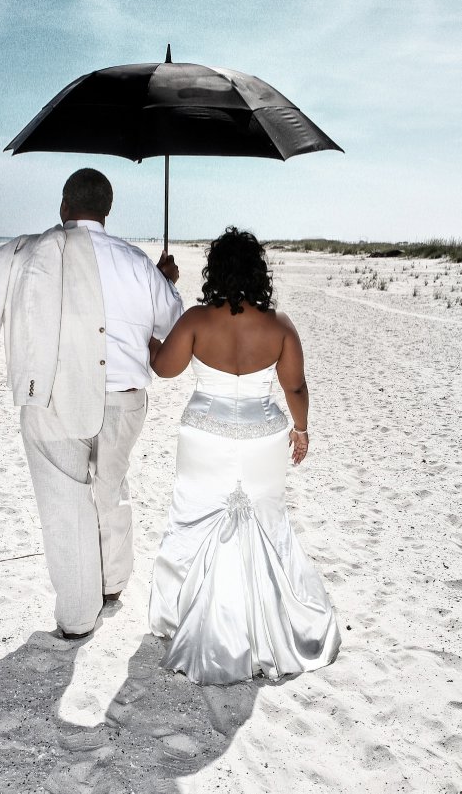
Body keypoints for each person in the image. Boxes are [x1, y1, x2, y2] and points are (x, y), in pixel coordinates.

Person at [0, 168, 183, 639]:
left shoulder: (34, 253)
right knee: (111, 485)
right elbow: (173, 325)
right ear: (108, 210)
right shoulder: (136, 261)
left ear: (64, 207)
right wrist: (165, 281)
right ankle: (113, 581)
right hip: (125, 400)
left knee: (65, 503)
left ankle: (79, 616)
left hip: (55, 399)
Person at [148, 226, 340, 685]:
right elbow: (294, 386)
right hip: (261, 438)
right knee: (266, 520)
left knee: (195, 518)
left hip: (204, 438)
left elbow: (164, 369)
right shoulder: (279, 327)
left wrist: (154, 340)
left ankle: (186, 615)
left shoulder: (196, 319)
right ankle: (265, 623)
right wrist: (302, 429)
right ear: (259, 273)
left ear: (215, 270)